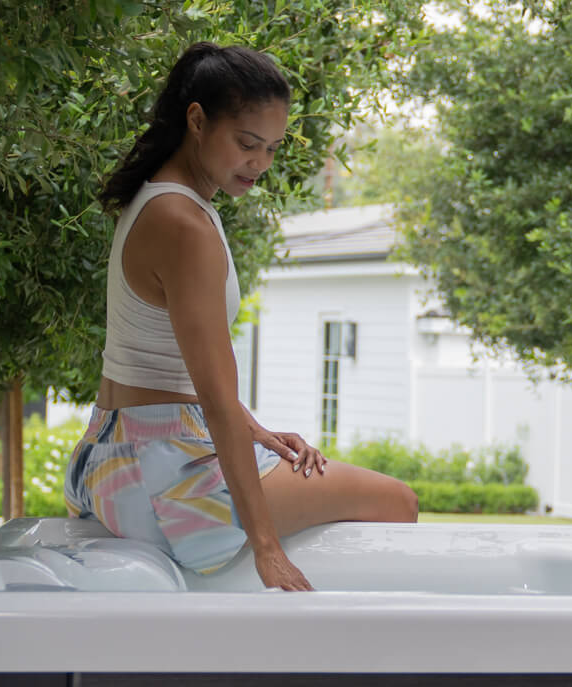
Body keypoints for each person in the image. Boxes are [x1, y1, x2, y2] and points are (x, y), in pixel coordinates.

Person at [64, 43, 417, 590]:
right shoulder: (183, 224)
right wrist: (267, 548)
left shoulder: (161, 198)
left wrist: (258, 433)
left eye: (272, 148)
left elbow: (167, 371)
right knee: (398, 503)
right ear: (197, 120)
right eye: (247, 144)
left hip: (112, 457)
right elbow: (214, 398)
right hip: (161, 479)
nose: (260, 164)